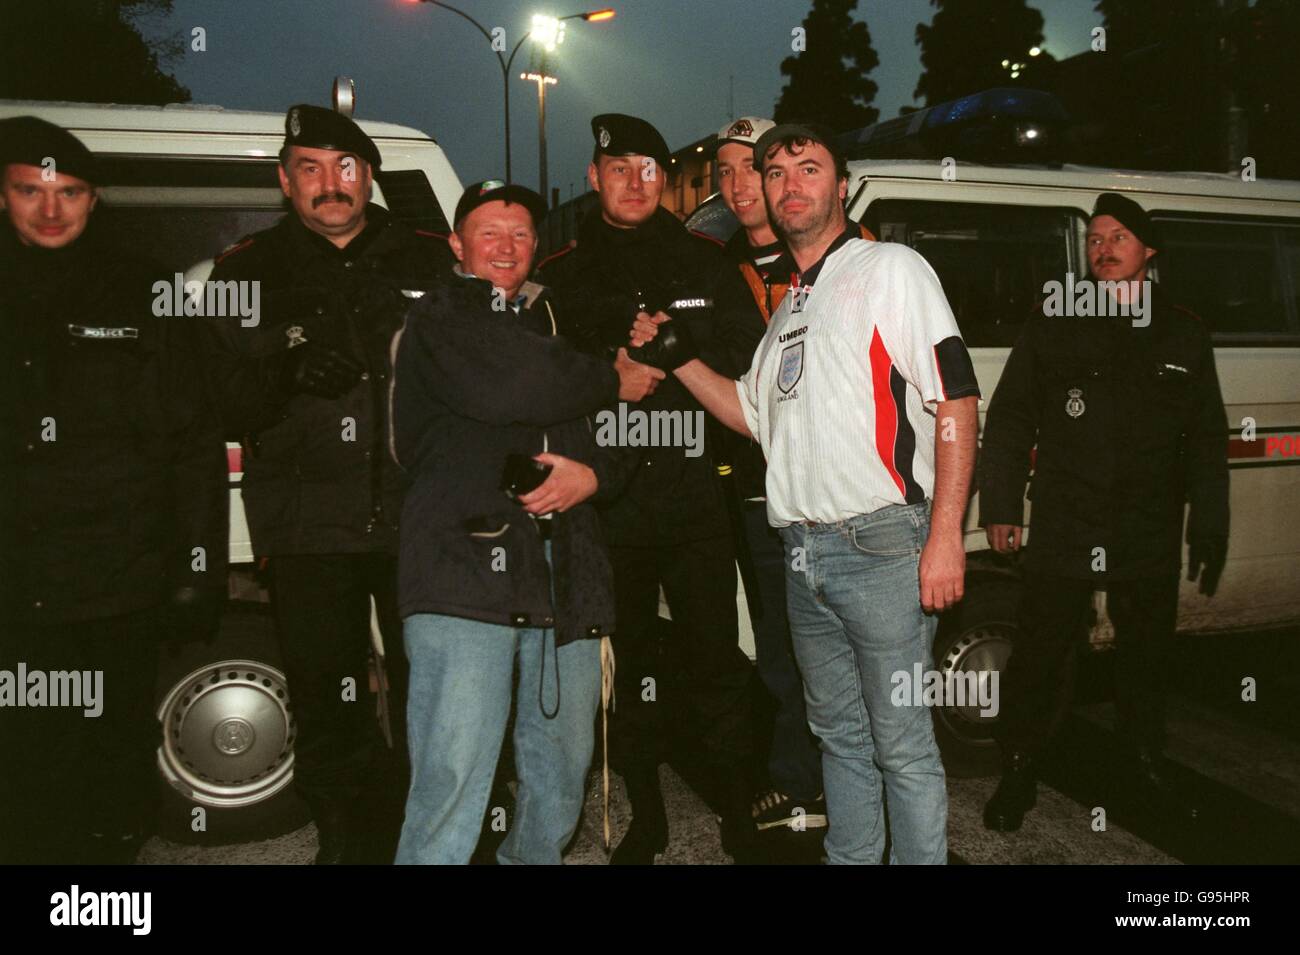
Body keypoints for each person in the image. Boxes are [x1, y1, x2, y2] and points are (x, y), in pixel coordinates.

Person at [632, 123, 981, 864]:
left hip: (884, 544)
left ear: (842, 186)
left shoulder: (890, 268)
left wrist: (945, 532)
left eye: (809, 168)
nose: (790, 184)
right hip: (804, 556)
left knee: (902, 746)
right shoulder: (789, 307)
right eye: (776, 172)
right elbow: (749, 415)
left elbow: (955, 401)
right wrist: (680, 356)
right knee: (839, 740)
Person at [200, 104, 453, 863]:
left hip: (421, 519)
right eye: (310, 168)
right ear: (285, 180)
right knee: (326, 691)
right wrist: (280, 374)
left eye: (345, 168)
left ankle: (433, 828)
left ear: (369, 176)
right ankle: (347, 833)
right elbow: (210, 396)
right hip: (309, 524)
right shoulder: (246, 268)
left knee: (434, 690)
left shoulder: (431, 259)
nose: (330, 184)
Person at [538, 113, 766, 863]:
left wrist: (683, 350)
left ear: (665, 180)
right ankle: (648, 813)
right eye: (617, 168)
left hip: (698, 494)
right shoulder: (563, 271)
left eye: (647, 169)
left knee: (714, 659)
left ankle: (736, 806)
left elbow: (748, 357)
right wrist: (611, 369)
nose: (633, 182)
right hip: (610, 505)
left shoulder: (706, 259)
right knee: (628, 667)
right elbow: (538, 383)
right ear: (594, 177)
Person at [0, 116, 227, 864]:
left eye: (69, 191)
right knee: (23, 763)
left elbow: (193, 440)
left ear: (94, 199)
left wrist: (198, 568)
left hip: (117, 580)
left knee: (111, 764)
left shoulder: (147, 290)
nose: (51, 208)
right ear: (3, 194)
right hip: (14, 583)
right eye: (30, 190)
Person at [390, 180, 630, 864]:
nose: (506, 246)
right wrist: (611, 374)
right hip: (462, 576)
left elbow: (627, 435)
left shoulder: (553, 323)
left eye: (522, 234)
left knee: (562, 768)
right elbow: (511, 387)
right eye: (489, 232)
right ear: (457, 244)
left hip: (565, 577)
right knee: (453, 773)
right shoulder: (439, 317)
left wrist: (595, 474)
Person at [979, 192, 1229, 831]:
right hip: (1067, 517)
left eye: (1119, 237)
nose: (1104, 248)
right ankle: (1018, 767)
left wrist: (1210, 520)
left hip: (1147, 525)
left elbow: (1205, 436)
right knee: (1039, 654)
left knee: (1144, 658)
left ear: (1148, 251)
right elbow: (1009, 418)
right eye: (1095, 238)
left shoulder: (1183, 332)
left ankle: (1145, 765)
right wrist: (1002, 504)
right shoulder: (1057, 324)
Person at [712, 116, 824, 833]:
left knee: (839, 642)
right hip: (755, 483)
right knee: (779, 641)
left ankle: (842, 776)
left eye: (749, 167)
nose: (736, 183)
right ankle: (798, 779)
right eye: (723, 171)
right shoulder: (713, 263)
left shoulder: (832, 250)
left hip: (834, 487)